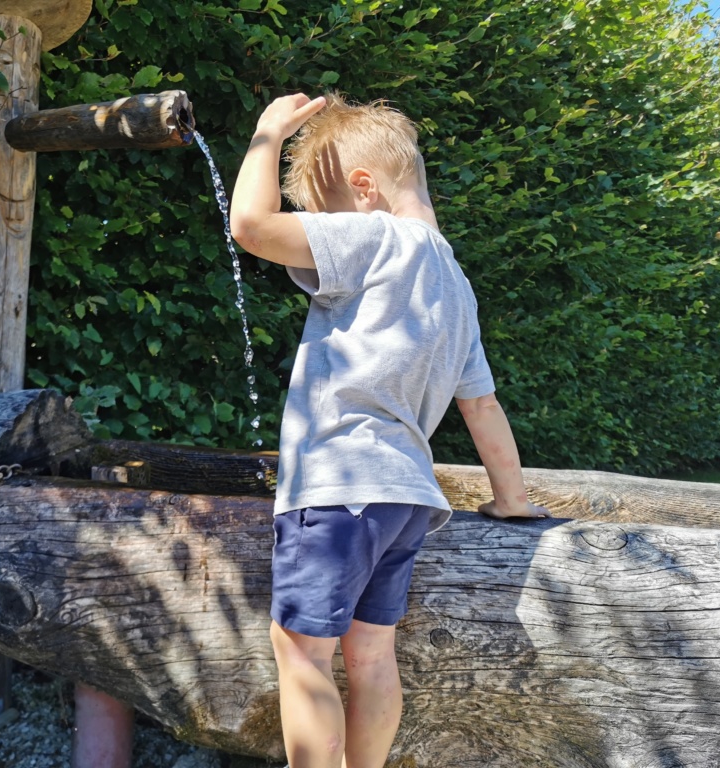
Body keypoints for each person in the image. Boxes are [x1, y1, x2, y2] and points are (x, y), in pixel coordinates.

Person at [228, 92, 550, 768]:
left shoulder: (371, 237)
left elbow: (252, 227)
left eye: (323, 216)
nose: (319, 236)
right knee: (372, 655)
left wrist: (265, 134)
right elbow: (482, 409)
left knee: (302, 652)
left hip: (339, 484)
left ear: (364, 190)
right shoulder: (456, 285)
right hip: (406, 501)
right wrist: (511, 502)